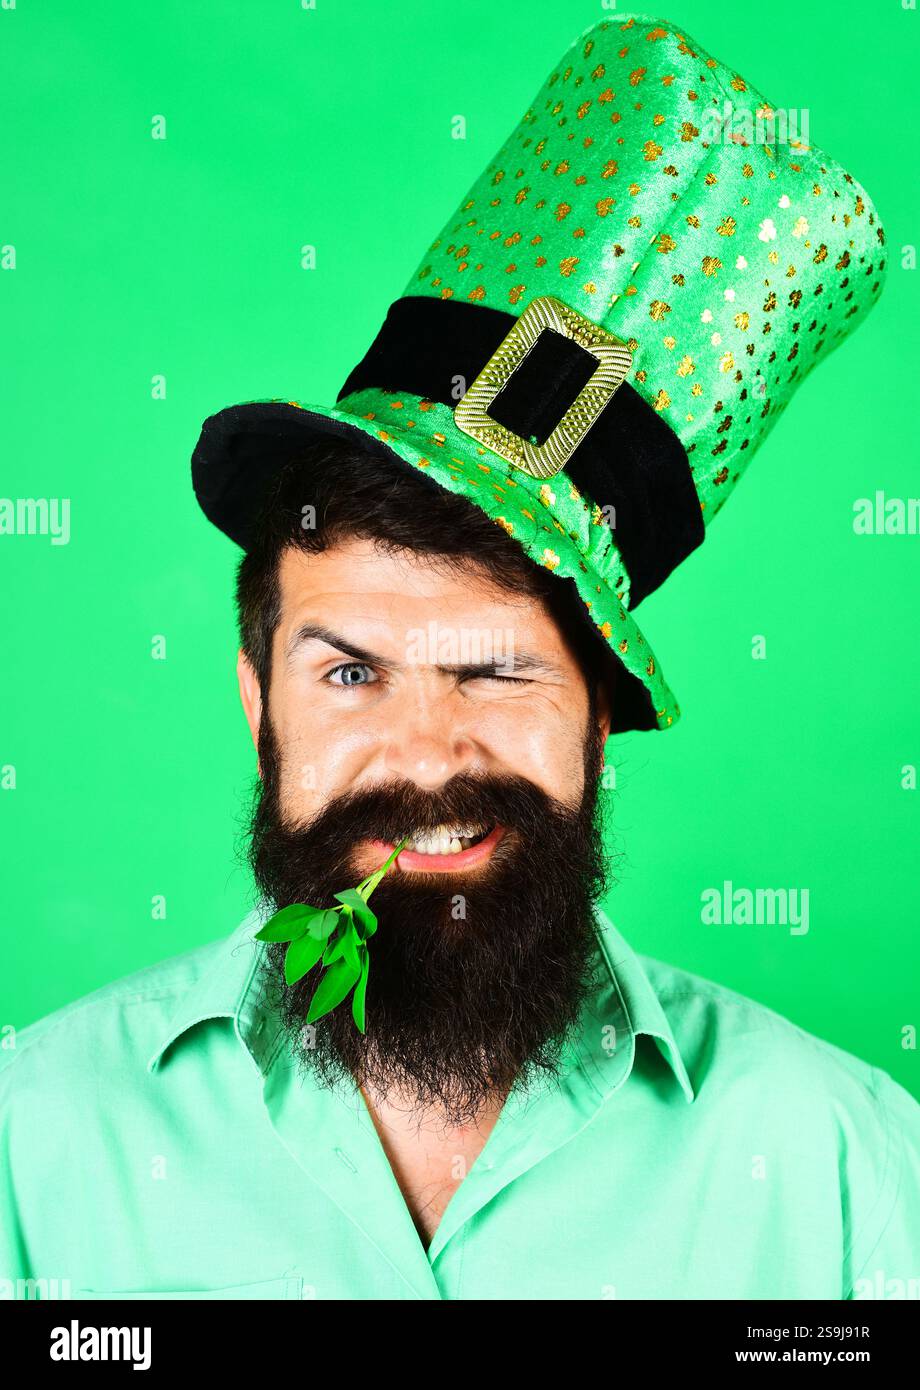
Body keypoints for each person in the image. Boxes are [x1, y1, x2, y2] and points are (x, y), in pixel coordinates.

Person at [2, 16, 916, 1301]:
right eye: (352, 671)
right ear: (257, 702)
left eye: (492, 672)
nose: (427, 754)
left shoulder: (845, 1179)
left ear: (600, 718)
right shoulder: (29, 1158)